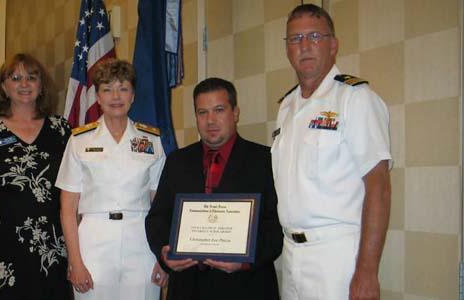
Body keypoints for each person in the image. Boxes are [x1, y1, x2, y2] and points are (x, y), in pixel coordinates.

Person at [272, 4, 392, 300]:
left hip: (337, 258)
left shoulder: (355, 99)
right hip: (291, 255)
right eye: (295, 39)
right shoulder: (286, 108)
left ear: (333, 45)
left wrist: (367, 271)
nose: (305, 46)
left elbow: (379, 189)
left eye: (315, 36)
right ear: (287, 49)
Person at [145, 77, 283, 300]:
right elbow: (157, 217)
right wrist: (163, 251)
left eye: (219, 110)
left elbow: (276, 226)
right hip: (188, 288)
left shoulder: (265, 161)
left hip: (247, 287)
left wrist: (245, 261)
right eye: (202, 112)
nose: (211, 120)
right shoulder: (177, 162)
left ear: (235, 113)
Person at [0, 53, 72, 299]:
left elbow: (73, 194)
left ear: (41, 86)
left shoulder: (61, 129)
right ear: (3, 86)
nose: (24, 84)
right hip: (3, 251)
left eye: (31, 78)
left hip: (53, 251)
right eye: (15, 77)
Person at [55, 59, 168, 300]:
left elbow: (161, 205)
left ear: (133, 95)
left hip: (142, 241)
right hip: (93, 242)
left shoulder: (152, 141)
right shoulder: (79, 141)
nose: (116, 96)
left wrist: (162, 257)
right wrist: (75, 261)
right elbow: (67, 209)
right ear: (97, 96)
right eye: (107, 89)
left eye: (123, 88)